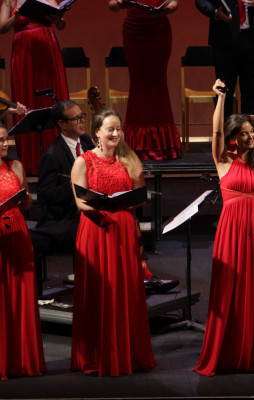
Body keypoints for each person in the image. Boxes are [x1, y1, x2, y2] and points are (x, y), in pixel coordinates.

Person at [194, 79, 254, 376]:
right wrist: (220, 98)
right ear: (233, 136)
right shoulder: (223, 159)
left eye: (252, 132)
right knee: (229, 291)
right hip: (231, 232)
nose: (250, 136)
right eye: (244, 133)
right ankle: (228, 352)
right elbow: (216, 130)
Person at [70, 108, 156, 377]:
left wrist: (126, 200)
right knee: (98, 291)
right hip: (96, 229)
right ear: (97, 132)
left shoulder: (129, 158)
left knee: (125, 291)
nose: (116, 134)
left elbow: (140, 195)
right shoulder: (83, 161)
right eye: (110, 129)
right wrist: (102, 208)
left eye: (119, 129)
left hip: (122, 230)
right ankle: (98, 355)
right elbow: (80, 201)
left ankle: (127, 353)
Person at [0, 0, 69, 175]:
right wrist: (16, 15)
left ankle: (57, 158)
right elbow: (2, 28)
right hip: (23, 50)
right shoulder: (10, 0)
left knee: (50, 98)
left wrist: (59, 21)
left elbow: (60, 25)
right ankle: (31, 163)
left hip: (46, 46)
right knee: (27, 100)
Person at [0, 123, 46, 381]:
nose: (5, 145)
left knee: (19, 295)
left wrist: (24, 199)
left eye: (7, 140)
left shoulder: (15, 167)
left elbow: (27, 202)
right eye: (0, 140)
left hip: (17, 231)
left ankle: (22, 359)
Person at [108, 0, 182, 160]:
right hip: (133, 31)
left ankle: (162, 144)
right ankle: (135, 144)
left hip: (158, 31)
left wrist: (160, 11)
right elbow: (112, 5)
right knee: (138, 86)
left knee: (158, 85)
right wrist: (120, 4)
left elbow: (174, 4)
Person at [30, 101, 94, 262]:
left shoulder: (86, 141)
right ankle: (93, 281)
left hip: (90, 208)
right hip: (65, 219)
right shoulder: (52, 155)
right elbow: (45, 195)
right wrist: (73, 185)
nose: (82, 121)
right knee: (98, 232)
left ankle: (141, 271)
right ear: (62, 124)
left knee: (125, 220)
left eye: (82, 116)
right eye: (77, 119)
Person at [195, 0, 254, 118]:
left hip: (252, 39)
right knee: (224, 94)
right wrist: (215, 12)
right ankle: (225, 135)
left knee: (251, 93)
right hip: (225, 40)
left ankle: (248, 134)